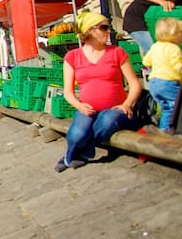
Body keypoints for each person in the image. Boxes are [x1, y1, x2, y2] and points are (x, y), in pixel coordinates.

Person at [56, 11, 143, 172]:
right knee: (76, 134)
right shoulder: (72, 57)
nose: (108, 31)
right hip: (88, 109)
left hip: (116, 109)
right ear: (89, 30)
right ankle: (74, 153)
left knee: (108, 120)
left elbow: (135, 84)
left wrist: (127, 104)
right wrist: (79, 106)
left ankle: (79, 154)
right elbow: (68, 91)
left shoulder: (117, 52)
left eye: (108, 27)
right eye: (103, 28)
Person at [142, 17, 182, 131]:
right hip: (168, 82)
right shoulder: (174, 48)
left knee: (167, 109)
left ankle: (164, 130)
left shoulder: (155, 46)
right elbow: (177, 65)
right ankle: (173, 130)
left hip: (154, 83)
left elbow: (146, 62)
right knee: (176, 107)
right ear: (174, 34)